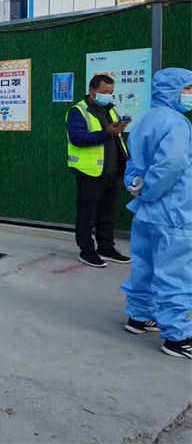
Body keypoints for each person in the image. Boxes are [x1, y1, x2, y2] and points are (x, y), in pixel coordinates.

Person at [121, 68, 192, 360]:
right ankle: (178, 337)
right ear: (173, 90)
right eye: (188, 88)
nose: (190, 94)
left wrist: (136, 187)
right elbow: (173, 164)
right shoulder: (177, 123)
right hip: (173, 212)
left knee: (145, 266)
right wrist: (150, 190)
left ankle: (138, 317)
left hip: (146, 212)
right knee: (175, 273)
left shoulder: (144, 120)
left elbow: (133, 164)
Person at [66, 74, 131, 268]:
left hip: (112, 170)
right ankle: (87, 251)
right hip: (90, 172)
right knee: (87, 215)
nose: (107, 96)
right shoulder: (79, 111)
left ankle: (106, 247)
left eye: (111, 92)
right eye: (104, 92)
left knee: (107, 213)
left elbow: (116, 137)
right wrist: (107, 133)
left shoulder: (110, 109)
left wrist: (119, 128)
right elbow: (77, 138)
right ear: (92, 90)